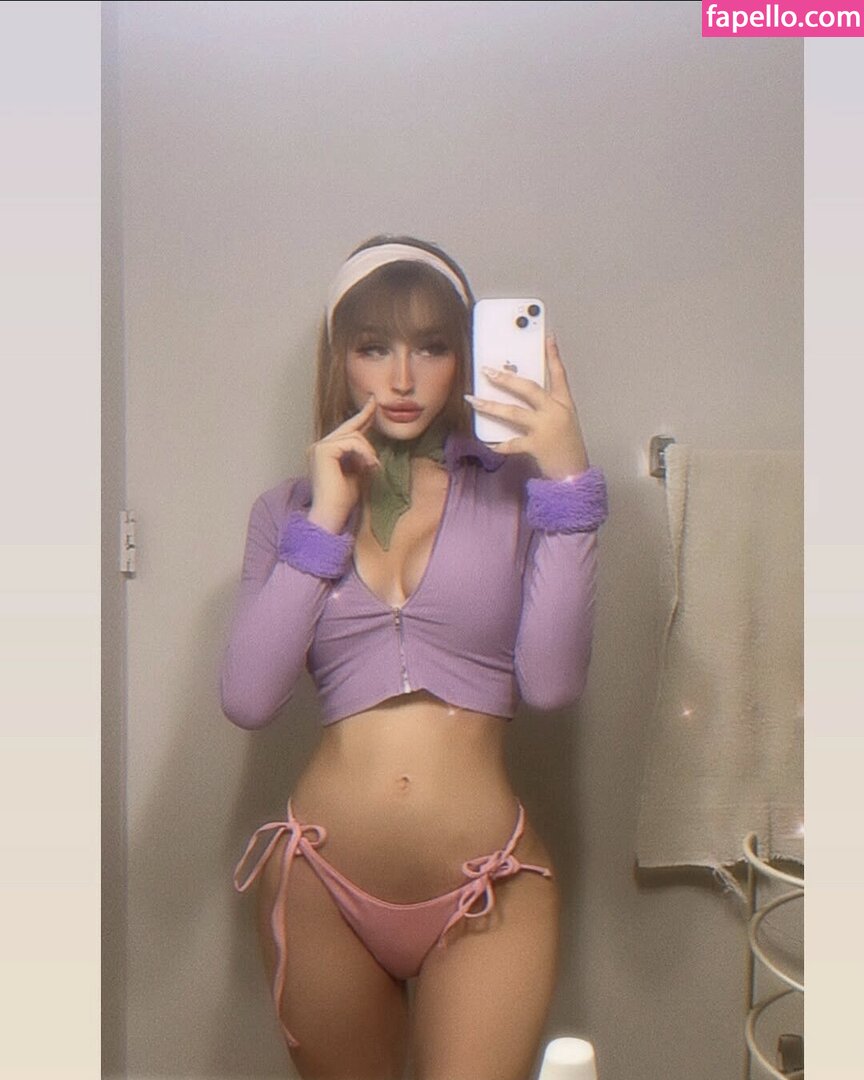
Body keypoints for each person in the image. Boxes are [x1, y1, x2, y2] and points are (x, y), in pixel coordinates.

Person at [220, 236, 607, 1080]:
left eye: (431, 347)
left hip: (487, 884)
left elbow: (551, 683)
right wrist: (325, 519)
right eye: (373, 348)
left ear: (462, 355)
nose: (401, 378)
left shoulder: (516, 491)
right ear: (340, 359)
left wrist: (568, 481)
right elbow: (249, 697)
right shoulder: (285, 511)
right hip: (321, 882)